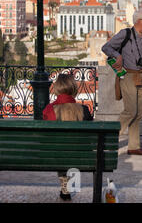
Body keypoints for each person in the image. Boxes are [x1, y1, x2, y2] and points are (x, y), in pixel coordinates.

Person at [102, 9, 142, 156]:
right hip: (128, 76)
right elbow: (106, 48)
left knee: (138, 113)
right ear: (139, 21)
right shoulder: (125, 34)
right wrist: (117, 55)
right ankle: (110, 140)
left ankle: (134, 146)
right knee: (130, 111)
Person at [43, 73, 93, 201]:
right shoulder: (84, 109)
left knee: (60, 148)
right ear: (74, 89)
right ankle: (70, 186)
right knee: (71, 149)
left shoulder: (49, 109)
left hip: (56, 154)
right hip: (80, 154)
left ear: (57, 89)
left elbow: (46, 137)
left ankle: (65, 188)